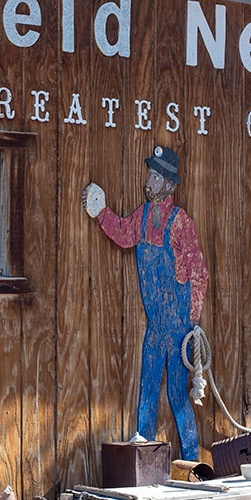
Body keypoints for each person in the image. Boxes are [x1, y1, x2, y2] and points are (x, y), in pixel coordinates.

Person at [83, 145, 207, 461]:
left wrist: (192, 322)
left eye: (154, 176)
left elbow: (198, 273)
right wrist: (101, 213)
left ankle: (191, 461)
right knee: (147, 393)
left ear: (168, 184)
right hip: (155, 326)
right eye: (149, 175)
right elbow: (123, 234)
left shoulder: (181, 223)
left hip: (178, 328)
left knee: (178, 395)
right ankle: (144, 464)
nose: (148, 182)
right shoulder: (143, 215)